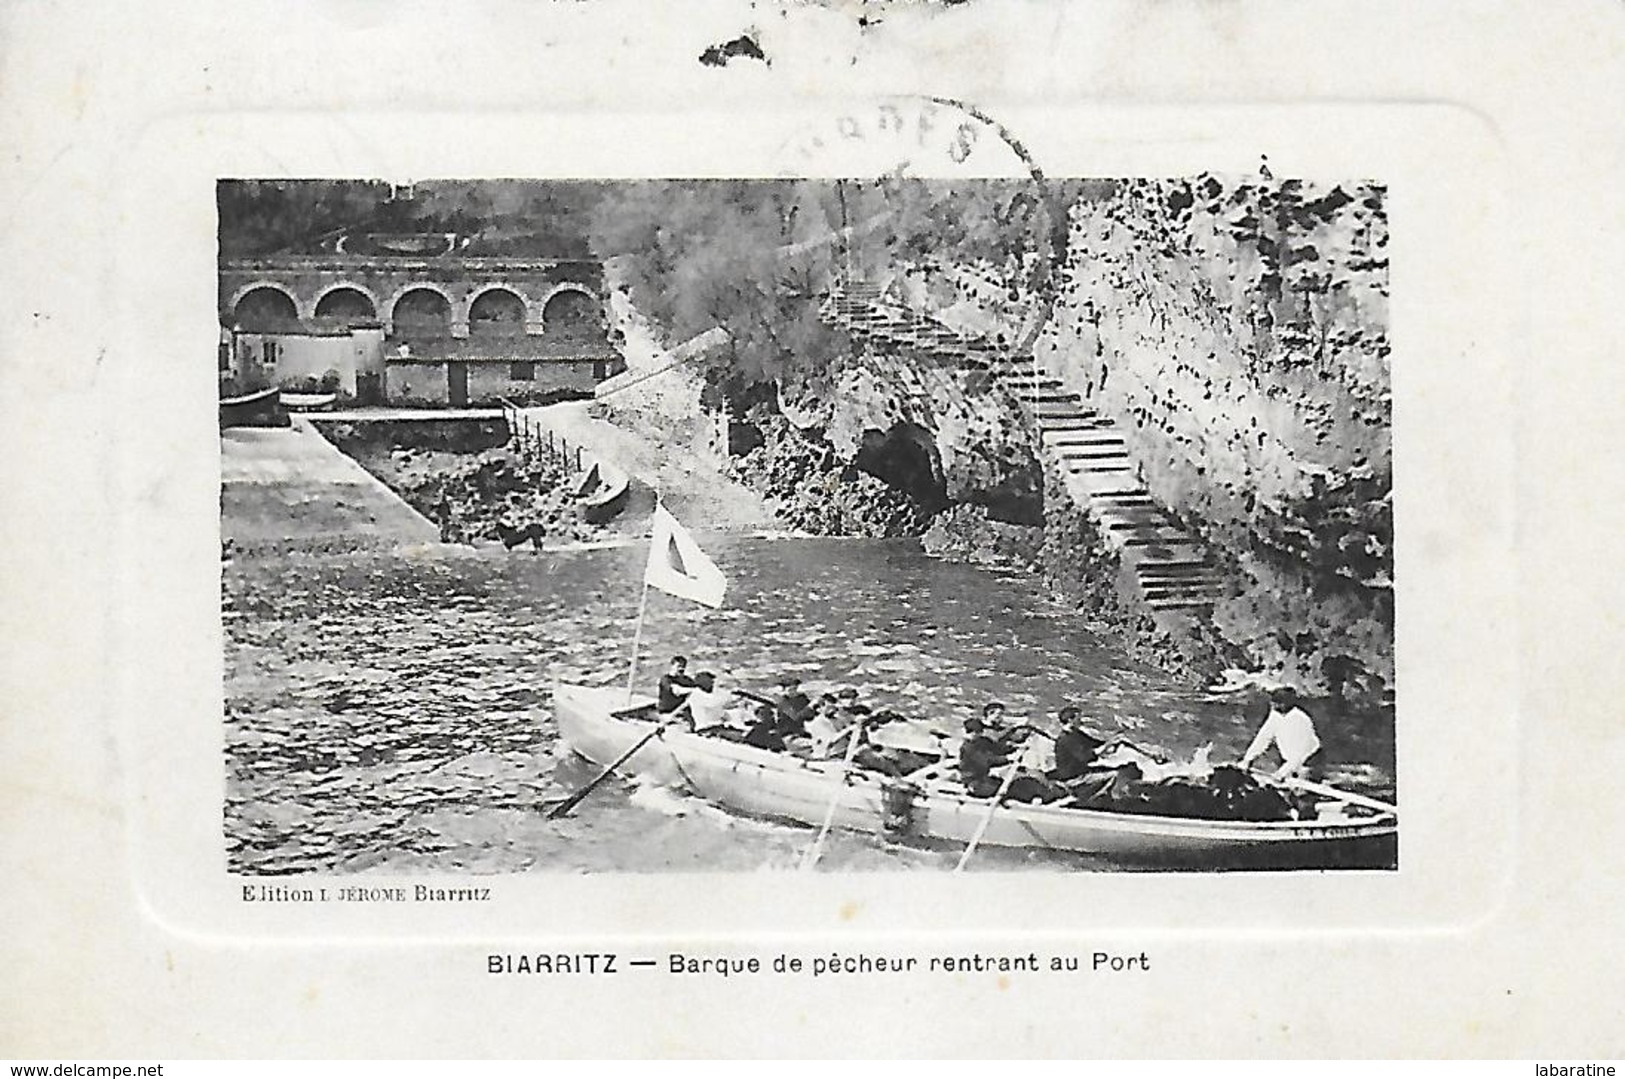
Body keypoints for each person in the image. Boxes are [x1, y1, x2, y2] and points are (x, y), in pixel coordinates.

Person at [1239, 687, 1322, 780]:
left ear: (1284, 704)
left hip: (1309, 760)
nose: (1273, 707)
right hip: (1290, 760)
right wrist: (1247, 759)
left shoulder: (1300, 719)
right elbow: (1263, 738)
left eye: (1276, 704)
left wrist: (1284, 772)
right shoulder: (1275, 716)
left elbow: (1301, 752)